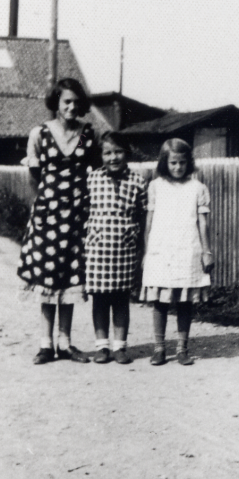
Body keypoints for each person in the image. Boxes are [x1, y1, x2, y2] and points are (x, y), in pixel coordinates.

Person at [18, 77, 99, 364]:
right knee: (47, 278)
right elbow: (35, 177)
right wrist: (42, 207)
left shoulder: (89, 135)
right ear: (57, 102)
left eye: (77, 102)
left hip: (78, 216)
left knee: (70, 278)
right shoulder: (39, 133)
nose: (72, 107)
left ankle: (65, 343)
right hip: (48, 216)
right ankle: (45, 344)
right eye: (67, 101)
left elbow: (96, 172)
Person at [141, 138, 214, 366]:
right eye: (173, 163)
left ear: (188, 163)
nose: (178, 167)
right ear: (165, 162)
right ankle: (159, 348)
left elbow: (203, 223)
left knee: (184, 302)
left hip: (187, 250)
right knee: (160, 301)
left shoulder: (197, 188)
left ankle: (182, 348)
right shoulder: (155, 186)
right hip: (161, 251)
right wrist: (146, 251)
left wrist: (206, 251)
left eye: (182, 163)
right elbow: (149, 222)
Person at [85, 131, 147, 364]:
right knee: (100, 299)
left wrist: (141, 245)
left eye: (118, 152)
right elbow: (84, 213)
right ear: (101, 155)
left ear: (126, 153)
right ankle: (102, 347)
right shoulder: (91, 179)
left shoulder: (137, 181)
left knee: (121, 299)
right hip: (98, 248)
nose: (113, 157)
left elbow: (143, 217)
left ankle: (120, 346)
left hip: (125, 248)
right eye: (108, 153)